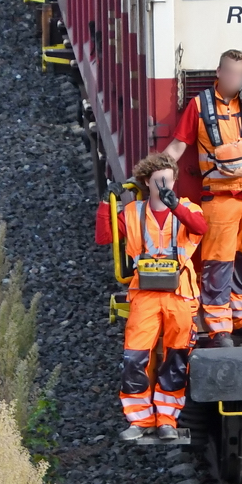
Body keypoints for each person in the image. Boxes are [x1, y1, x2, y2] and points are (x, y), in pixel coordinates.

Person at [163, 49, 242, 347]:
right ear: (219, 72)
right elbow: (176, 148)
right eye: (231, 73)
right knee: (217, 266)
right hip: (220, 199)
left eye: (241, 74)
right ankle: (219, 330)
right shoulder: (199, 105)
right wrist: (151, 176)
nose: (236, 79)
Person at [95, 152, 207, 441]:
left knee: (176, 359)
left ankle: (167, 419)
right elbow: (104, 236)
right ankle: (139, 420)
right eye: (159, 180)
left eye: (169, 179)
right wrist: (105, 203)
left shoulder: (188, 208)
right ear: (147, 181)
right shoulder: (132, 214)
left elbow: (201, 229)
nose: (166, 185)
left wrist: (176, 209)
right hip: (145, 295)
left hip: (179, 295)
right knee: (134, 358)